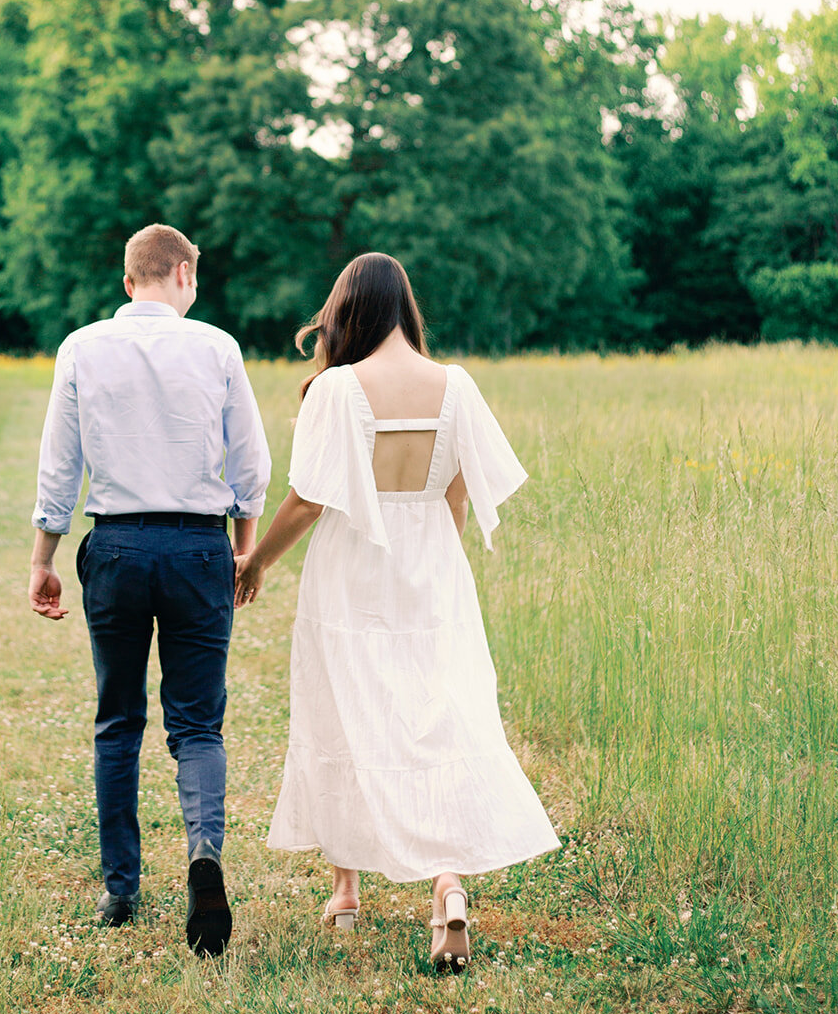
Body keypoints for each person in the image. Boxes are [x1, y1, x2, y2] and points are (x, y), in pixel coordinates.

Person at [233, 252, 558, 970]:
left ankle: (346, 892)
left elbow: (311, 499)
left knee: (344, 709)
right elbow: (460, 495)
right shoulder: (456, 386)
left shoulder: (338, 388)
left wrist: (255, 562)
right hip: (433, 567)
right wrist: (431, 560)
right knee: (433, 717)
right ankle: (446, 887)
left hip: (352, 565)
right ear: (406, 309)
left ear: (348, 314)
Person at [28, 223, 271, 957]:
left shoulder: (81, 347)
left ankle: (120, 886)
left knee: (119, 718)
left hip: (119, 545)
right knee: (197, 725)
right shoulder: (217, 347)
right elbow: (252, 464)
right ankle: (204, 858)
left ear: (129, 281)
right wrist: (244, 549)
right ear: (184, 277)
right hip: (199, 547)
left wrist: (44, 555)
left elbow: (59, 465)